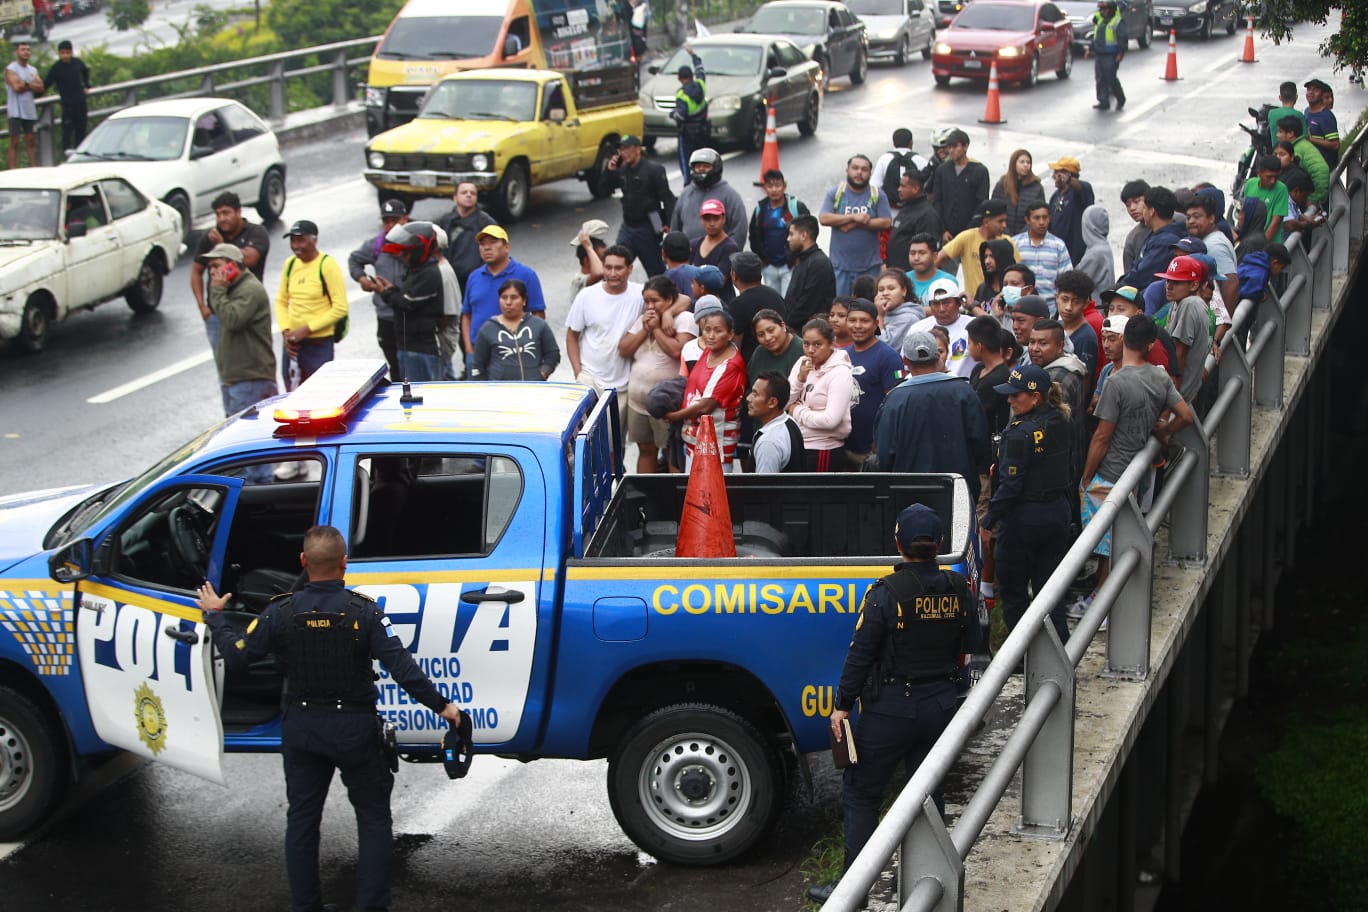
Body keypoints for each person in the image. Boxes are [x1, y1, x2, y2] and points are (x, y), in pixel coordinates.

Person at [196, 526, 465, 912]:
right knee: (373, 819)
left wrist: (216, 618)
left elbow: (237, 655)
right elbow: (403, 670)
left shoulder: (279, 611)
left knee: (302, 822)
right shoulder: (363, 611)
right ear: (344, 564)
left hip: (302, 730)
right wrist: (444, 707)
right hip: (354, 730)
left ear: (303, 562)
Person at [806, 503, 975, 905]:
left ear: (898, 543)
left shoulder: (885, 594)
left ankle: (853, 890)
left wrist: (841, 706)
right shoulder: (960, 591)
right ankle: (930, 879)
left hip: (890, 709)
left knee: (863, 793)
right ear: (937, 545)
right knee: (929, 793)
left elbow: (860, 655)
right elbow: (971, 649)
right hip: (941, 705)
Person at [1077, 317, 1195, 610]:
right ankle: (1102, 598)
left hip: (1109, 473)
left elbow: (1102, 436)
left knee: (1105, 544)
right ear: (1151, 345)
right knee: (1117, 539)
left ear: (1125, 338)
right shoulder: (1159, 376)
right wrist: (1163, 431)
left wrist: (1085, 478)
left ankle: (1103, 605)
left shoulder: (1116, 381)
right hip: (1138, 470)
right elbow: (1185, 416)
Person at [981, 364, 1074, 644]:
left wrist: (988, 522)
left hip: (1024, 520)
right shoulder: (1061, 419)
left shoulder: (1019, 434)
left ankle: (1023, 655)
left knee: (1014, 593)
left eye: (1016, 395)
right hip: (1058, 513)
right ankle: (1061, 652)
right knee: (1051, 592)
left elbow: (1010, 486)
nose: (1009, 400)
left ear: (1035, 398)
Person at [872, 330, 989, 498]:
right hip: (958, 490)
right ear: (938, 357)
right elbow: (980, 443)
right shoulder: (964, 392)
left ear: (905, 360)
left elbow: (884, 453)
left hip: (909, 494)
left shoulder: (894, 399)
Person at [622, 276, 696, 473]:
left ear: (669, 300)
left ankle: (675, 501)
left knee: (672, 451)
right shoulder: (644, 319)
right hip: (637, 403)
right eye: (646, 301)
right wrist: (645, 330)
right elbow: (624, 350)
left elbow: (677, 351)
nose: (649, 306)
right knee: (645, 449)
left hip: (666, 401)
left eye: (655, 300)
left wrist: (656, 329)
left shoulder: (684, 319)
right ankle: (646, 499)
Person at [566, 245, 645, 424]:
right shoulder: (586, 296)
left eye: (618, 268)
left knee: (616, 446)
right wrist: (579, 373)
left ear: (630, 269)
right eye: (608, 267)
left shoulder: (640, 294)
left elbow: (676, 299)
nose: (612, 273)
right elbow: (572, 335)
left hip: (623, 384)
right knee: (592, 444)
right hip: (590, 381)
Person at [666, 304, 747, 469]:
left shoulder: (730, 365)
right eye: (707, 329)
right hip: (695, 439)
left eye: (718, 331)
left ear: (730, 334)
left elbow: (706, 406)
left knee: (711, 492)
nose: (711, 336)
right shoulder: (709, 352)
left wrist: (674, 416)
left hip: (715, 445)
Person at [202, 242, 276, 418]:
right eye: (209, 268)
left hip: (251, 380)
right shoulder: (231, 289)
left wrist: (218, 291)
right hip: (234, 379)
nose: (211, 272)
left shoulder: (250, 290)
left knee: (247, 435)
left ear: (232, 265)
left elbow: (233, 320)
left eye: (216, 266)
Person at [192, 191, 272, 353]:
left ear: (238, 212)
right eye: (218, 214)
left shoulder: (256, 233)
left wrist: (222, 245)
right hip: (217, 314)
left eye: (226, 213)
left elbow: (249, 260)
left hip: (246, 311)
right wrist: (202, 307)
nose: (222, 218)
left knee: (251, 358)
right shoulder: (210, 237)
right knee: (225, 366)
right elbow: (196, 272)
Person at [369, 221, 447, 382]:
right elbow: (406, 296)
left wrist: (385, 292)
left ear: (419, 251)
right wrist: (391, 290)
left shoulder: (429, 274)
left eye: (405, 253)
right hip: (407, 345)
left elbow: (407, 303)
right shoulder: (415, 271)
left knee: (425, 397)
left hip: (422, 349)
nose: (401, 257)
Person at [275, 220, 348, 390]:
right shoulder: (290, 264)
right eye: (293, 241)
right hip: (293, 344)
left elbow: (340, 308)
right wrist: (286, 332)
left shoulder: (327, 265)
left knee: (319, 394)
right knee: (293, 394)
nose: (296, 246)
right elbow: (281, 301)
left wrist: (307, 329)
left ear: (314, 240)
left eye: (301, 240)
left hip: (318, 345)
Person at [462, 225, 546, 366]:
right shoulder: (474, 277)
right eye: (482, 244)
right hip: (479, 353)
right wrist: (469, 350)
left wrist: (529, 348)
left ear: (506, 247)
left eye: (493, 242)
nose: (487, 247)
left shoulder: (526, 275)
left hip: (514, 353)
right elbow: (466, 315)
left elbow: (538, 314)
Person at [348, 198, 411, 379]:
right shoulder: (376, 245)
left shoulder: (414, 244)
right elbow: (354, 260)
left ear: (405, 219)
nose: (390, 225)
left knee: (410, 366)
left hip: (409, 315)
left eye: (395, 220)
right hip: (385, 316)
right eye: (386, 221)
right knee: (395, 365)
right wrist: (361, 278)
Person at [599, 133, 675, 277]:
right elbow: (604, 189)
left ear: (637, 149)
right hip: (628, 224)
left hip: (652, 221)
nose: (623, 153)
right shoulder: (622, 170)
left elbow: (667, 198)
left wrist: (668, 223)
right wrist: (609, 171)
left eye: (627, 149)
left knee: (656, 271)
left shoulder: (654, 170)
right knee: (617, 264)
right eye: (621, 149)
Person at [786, 318, 854, 472]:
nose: (810, 350)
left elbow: (830, 420)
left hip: (823, 450)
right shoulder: (802, 363)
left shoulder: (840, 372)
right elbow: (784, 403)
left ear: (831, 343)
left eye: (817, 344)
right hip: (798, 444)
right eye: (806, 344)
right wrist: (799, 380)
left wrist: (797, 410)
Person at [820, 154, 893, 295]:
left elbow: (886, 221)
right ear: (847, 171)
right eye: (855, 168)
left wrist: (855, 224)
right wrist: (853, 217)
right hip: (840, 267)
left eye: (864, 169)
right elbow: (824, 218)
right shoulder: (835, 193)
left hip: (870, 267)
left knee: (869, 308)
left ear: (870, 173)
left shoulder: (878, 194)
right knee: (841, 308)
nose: (859, 172)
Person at [843, 298, 902, 470]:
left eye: (864, 320)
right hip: (842, 445)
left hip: (872, 450)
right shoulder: (841, 355)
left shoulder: (888, 356)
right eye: (852, 320)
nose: (858, 326)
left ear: (876, 323)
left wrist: (882, 438)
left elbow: (894, 403)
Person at [469, 278, 560, 381]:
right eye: (504, 297)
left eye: (514, 297)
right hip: (499, 392)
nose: (508, 302)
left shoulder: (538, 325)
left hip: (533, 391)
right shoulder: (488, 328)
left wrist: (542, 373)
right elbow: (477, 365)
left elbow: (553, 354)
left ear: (524, 300)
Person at [1154, 255, 1212, 403]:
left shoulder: (1190, 304)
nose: (1169, 286)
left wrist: (1174, 395)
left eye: (1176, 282)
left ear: (1193, 285)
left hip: (1179, 394)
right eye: (1168, 280)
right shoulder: (1179, 300)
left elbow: (1180, 352)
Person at [937, 199, 1018, 301]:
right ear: (986, 222)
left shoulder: (1007, 242)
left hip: (1002, 301)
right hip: (974, 302)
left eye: (1005, 221)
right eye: (1000, 221)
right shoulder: (967, 237)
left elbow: (1017, 272)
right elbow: (938, 258)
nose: (1004, 225)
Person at [748, 169, 809, 294]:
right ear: (765, 188)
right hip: (769, 266)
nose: (774, 190)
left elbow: (809, 231)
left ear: (784, 186)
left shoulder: (795, 207)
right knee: (773, 303)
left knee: (789, 301)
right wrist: (760, 258)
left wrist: (800, 258)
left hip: (790, 265)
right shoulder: (760, 209)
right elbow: (753, 235)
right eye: (770, 186)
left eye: (777, 185)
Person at [670, 148, 747, 247]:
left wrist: (727, 255)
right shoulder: (686, 194)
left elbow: (739, 231)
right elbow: (675, 227)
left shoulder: (730, 196)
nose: (701, 169)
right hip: (688, 257)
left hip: (719, 258)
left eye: (706, 166)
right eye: (698, 166)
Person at [1118, 186, 1185, 292]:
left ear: (1152, 211)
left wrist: (1118, 288)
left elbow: (1143, 275)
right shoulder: (1157, 234)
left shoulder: (1164, 242)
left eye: (1144, 208)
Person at [929, 128, 990, 240]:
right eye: (949, 147)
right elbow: (937, 201)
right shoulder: (942, 170)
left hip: (970, 234)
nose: (951, 150)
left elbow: (982, 204)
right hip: (946, 234)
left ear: (965, 146)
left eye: (955, 146)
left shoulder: (979, 171)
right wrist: (942, 230)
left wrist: (969, 231)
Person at [438, 181, 497, 293]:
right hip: (450, 280)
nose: (469, 195)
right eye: (464, 192)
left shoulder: (486, 223)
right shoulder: (446, 221)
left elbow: (496, 254)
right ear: (455, 197)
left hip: (477, 282)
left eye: (473, 193)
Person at [910, 281, 978, 378]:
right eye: (936, 303)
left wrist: (973, 306)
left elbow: (999, 335)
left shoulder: (974, 326)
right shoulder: (917, 329)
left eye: (946, 303)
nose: (941, 309)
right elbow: (905, 367)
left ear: (958, 303)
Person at [1012, 201, 1072, 311]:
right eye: (1037, 218)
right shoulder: (1016, 244)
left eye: (1045, 217)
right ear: (1027, 220)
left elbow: (1066, 280)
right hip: (1021, 307)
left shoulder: (1058, 246)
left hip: (1050, 309)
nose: (1041, 222)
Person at [728, 250, 784, 361]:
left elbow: (735, 347)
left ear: (734, 276)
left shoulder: (738, 305)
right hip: (781, 358)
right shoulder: (775, 295)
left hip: (754, 366)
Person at [784, 214, 837, 330]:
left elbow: (808, 303)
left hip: (811, 330)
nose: (788, 239)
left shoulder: (819, 263)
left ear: (804, 235)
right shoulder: (802, 259)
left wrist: (787, 324)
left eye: (792, 234)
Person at [886, 167, 944, 271]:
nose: (899, 189)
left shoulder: (927, 215)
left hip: (912, 275)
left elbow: (928, 252)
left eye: (903, 186)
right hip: (896, 271)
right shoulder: (906, 207)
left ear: (915, 189)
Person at [747, 370, 805, 472]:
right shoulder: (790, 422)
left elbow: (764, 485)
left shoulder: (769, 443)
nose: (748, 398)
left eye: (755, 394)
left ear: (772, 402)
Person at [1046, 156, 1095, 265]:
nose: (1054, 176)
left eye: (1058, 173)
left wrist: (1069, 180)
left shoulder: (1081, 191)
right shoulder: (1055, 196)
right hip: (1057, 253)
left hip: (1075, 254)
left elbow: (1081, 187)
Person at [1273, 116, 1330, 208]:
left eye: (1280, 132)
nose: (1277, 135)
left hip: (1313, 195)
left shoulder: (1296, 150)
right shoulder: (1304, 144)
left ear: (1290, 133)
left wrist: (1314, 197)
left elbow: (1320, 171)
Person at [690, 198, 740, 302]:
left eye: (716, 218)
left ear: (724, 218)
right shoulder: (694, 244)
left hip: (721, 304)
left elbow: (718, 280)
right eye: (707, 219)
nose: (712, 223)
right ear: (701, 220)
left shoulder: (730, 247)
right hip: (697, 303)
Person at [44, 40, 90, 152]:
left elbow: (86, 71)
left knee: (81, 131)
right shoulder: (56, 68)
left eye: (67, 52)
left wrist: (86, 86)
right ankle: (67, 154)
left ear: (71, 52)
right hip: (67, 104)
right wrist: (36, 93)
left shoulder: (78, 63)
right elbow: (47, 83)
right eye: (63, 53)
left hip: (80, 102)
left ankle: (81, 153)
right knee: (67, 132)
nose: (65, 55)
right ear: (59, 54)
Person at [1054, 269, 1100, 379]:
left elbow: (1085, 380)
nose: (1069, 307)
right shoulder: (1055, 327)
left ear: (1085, 304)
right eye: (1064, 299)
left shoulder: (1086, 337)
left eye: (1076, 302)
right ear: (1057, 297)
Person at [672, 46, 709, 181]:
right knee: (702, 160)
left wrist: (672, 114)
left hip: (687, 134)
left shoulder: (681, 94)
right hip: (703, 131)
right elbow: (700, 70)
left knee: (687, 163)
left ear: (680, 79)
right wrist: (694, 55)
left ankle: (689, 186)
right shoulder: (701, 85)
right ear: (691, 76)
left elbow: (680, 115)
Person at [991, 149, 1046, 237]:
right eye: (1022, 162)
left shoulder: (1036, 187)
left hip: (1026, 236)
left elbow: (1039, 213)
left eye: (1028, 163)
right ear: (1014, 164)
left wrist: (1022, 234)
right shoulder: (1002, 185)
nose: (1025, 165)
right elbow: (994, 210)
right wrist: (1005, 231)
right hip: (1002, 234)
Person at [748, 308, 805, 389]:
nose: (767, 338)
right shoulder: (759, 352)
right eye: (761, 335)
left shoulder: (803, 349)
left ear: (783, 326)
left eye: (771, 330)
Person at [5, 42, 41, 170]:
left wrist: (25, 84)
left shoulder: (32, 70)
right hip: (15, 110)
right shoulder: (11, 69)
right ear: (17, 52)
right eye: (23, 49)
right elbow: (16, 87)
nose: (26, 52)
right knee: (15, 141)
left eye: (28, 49)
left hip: (29, 110)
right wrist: (30, 84)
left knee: (31, 139)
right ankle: (13, 169)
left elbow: (40, 87)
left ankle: (33, 167)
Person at [1086, 0, 1127, 111]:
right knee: (1100, 78)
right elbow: (1096, 37)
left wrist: (1120, 53)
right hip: (1100, 54)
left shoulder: (1117, 22)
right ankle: (1103, 101)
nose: (1102, 11)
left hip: (1111, 55)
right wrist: (1090, 49)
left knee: (1110, 78)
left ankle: (1121, 99)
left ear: (1110, 9)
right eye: (1101, 9)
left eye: (1104, 9)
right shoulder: (1100, 21)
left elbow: (1122, 38)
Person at [873, 127, 930, 206]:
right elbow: (928, 186)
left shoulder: (884, 159)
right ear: (911, 142)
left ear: (894, 143)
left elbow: (874, 186)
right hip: (914, 209)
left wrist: (872, 207)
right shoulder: (921, 160)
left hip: (890, 210)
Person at [1240, 155, 1289, 244]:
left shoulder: (1282, 190)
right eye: (1269, 177)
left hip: (1268, 244)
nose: (1273, 181)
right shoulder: (1250, 184)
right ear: (1259, 173)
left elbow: (1275, 223)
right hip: (1248, 241)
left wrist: (1261, 246)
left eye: (1276, 177)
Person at [874, 268, 921, 354]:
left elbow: (884, 346)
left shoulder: (908, 318)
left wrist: (880, 316)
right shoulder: (884, 312)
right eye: (881, 290)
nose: (885, 293)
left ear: (904, 291)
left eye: (891, 289)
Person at [906, 233, 956, 303]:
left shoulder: (947, 280)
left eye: (922, 253)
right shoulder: (902, 279)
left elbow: (946, 308)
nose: (916, 258)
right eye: (912, 253)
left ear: (935, 256)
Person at [1302, 77, 1340, 169]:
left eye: (1315, 90)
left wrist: (1311, 139)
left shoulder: (1326, 116)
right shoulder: (1307, 111)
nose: (1311, 92)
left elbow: (1335, 145)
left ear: (1322, 95)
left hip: (1325, 166)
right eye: (1309, 89)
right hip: (1311, 163)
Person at [1119, 179, 1151, 273]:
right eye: (1128, 205)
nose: (1132, 208)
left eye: (1136, 201)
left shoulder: (1175, 221)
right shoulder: (1132, 238)